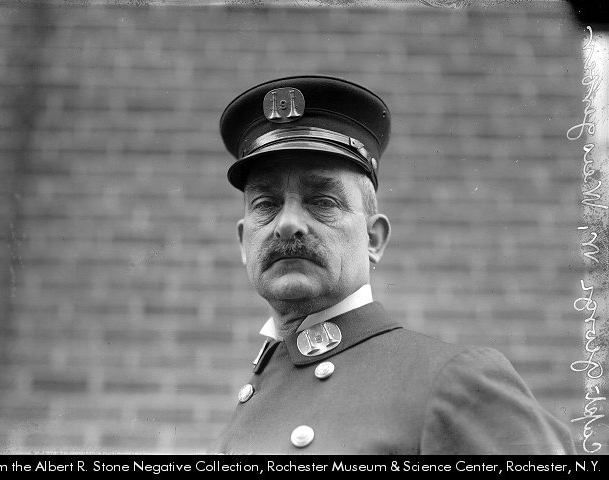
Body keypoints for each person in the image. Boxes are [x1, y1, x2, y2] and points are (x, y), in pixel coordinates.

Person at [212, 75, 576, 454]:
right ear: (243, 241)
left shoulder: (451, 380)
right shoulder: (259, 389)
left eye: (322, 201)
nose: (288, 223)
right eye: (265, 204)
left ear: (373, 239)